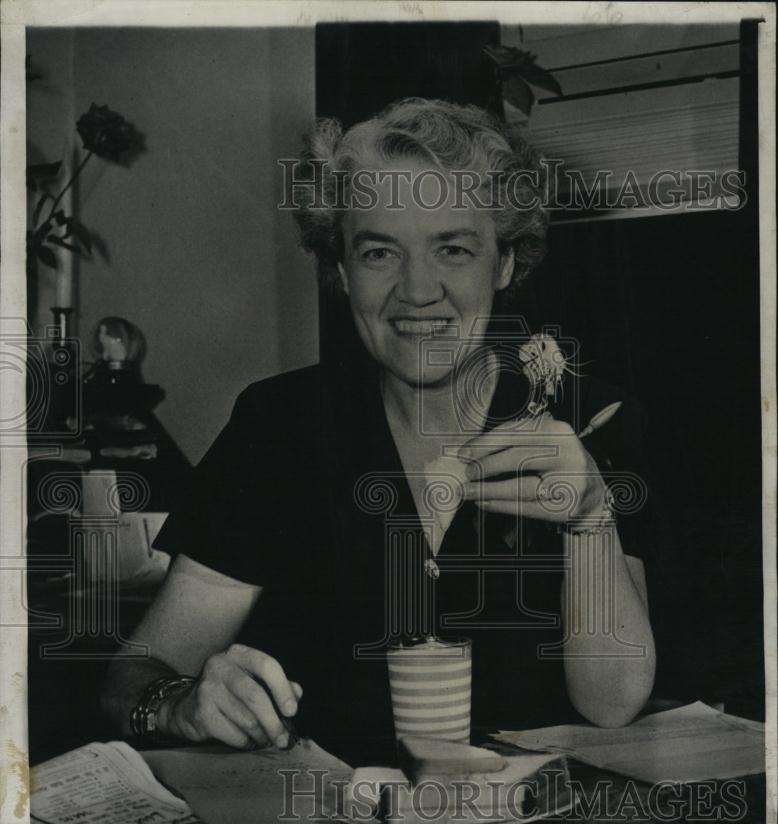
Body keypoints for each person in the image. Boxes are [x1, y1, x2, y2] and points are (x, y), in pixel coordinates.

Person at [101, 98, 655, 764]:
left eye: (452, 248)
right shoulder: (280, 426)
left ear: (505, 264)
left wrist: (592, 519)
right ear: (340, 271)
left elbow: (613, 702)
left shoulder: (589, 418)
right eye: (378, 253)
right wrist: (177, 703)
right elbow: (136, 673)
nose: (417, 290)